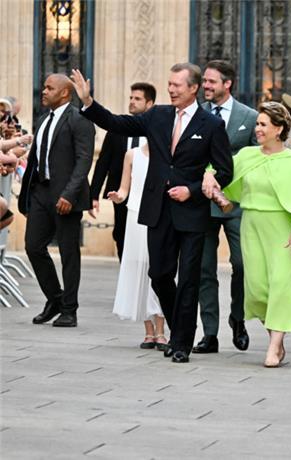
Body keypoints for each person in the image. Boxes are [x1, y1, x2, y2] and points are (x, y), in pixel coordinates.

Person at [71, 64, 234, 363]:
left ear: (194, 88)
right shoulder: (157, 115)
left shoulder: (210, 125)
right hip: (157, 209)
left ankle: (181, 342)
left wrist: (193, 190)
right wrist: (88, 103)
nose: (171, 89)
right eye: (170, 84)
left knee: (188, 279)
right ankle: (180, 327)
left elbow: (225, 171)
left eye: (177, 85)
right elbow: (117, 123)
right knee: (158, 274)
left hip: (192, 213)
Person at [220, 102, 291, 367]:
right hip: (252, 227)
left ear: (279, 129)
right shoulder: (246, 156)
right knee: (258, 290)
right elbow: (222, 172)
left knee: (282, 287)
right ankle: (277, 338)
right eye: (257, 124)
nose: (258, 129)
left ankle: (274, 347)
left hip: (284, 231)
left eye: (263, 124)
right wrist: (209, 177)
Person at [191, 60, 257, 355]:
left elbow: (256, 159)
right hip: (201, 203)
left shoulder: (249, 116)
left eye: (211, 81)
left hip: (236, 203)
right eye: (204, 81)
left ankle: (238, 318)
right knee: (204, 269)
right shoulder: (194, 114)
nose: (205, 86)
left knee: (243, 265)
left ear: (227, 84)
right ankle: (210, 333)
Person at [22, 74, 95, 328]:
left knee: (68, 253)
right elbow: (36, 159)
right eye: (44, 87)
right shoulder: (42, 120)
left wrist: (69, 194)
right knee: (33, 246)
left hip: (66, 195)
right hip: (41, 193)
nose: (43, 91)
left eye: (49, 88)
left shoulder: (80, 120)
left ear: (65, 93)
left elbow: (84, 160)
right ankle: (55, 298)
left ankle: (69, 310)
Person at [107, 144, 167, 351]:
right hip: (135, 217)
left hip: (159, 215)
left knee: (159, 269)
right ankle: (149, 331)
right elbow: (125, 189)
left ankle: (161, 330)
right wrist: (118, 197)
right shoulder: (131, 155)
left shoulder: (168, 153)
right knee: (139, 270)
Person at [89, 82, 156, 260]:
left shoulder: (157, 129)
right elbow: (103, 162)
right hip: (122, 194)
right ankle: (125, 268)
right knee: (121, 234)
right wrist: (93, 195)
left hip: (150, 194)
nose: (132, 102)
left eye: (137, 99)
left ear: (149, 104)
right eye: (131, 98)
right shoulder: (118, 128)